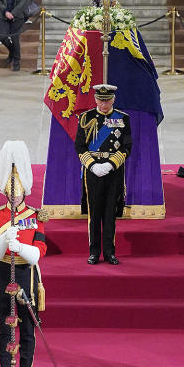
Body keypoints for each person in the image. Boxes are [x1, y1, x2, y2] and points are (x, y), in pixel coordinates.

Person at [0, 140, 47, 367]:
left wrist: (19, 247)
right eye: (10, 192)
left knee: (27, 331)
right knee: (5, 329)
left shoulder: (34, 216)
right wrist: (3, 239)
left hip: (25, 274)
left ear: (24, 191)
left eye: (17, 192)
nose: (14, 195)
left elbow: (39, 253)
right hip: (3, 274)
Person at [75, 84, 131, 265]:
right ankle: (93, 252)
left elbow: (126, 147)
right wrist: (91, 165)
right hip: (93, 170)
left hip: (113, 170)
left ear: (113, 100)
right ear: (95, 99)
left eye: (107, 100)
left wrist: (110, 164)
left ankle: (109, 252)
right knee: (94, 212)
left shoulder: (123, 119)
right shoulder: (86, 118)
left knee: (109, 213)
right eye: (100, 99)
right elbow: (80, 146)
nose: (104, 104)